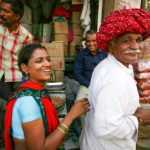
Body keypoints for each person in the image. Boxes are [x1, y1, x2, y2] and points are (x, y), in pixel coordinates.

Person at [80, 8, 150, 150]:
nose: (135, 46)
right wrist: (140, 119)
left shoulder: (119, 65)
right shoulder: (114, 79)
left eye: (138, 40)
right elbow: (105, 128)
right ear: (110, 47)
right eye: (126, 40)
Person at [4, 43, 90, 150]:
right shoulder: (28, 101)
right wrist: (71, 116)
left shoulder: (34, 93)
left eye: (48, 59)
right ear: (25, 68)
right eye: (39, 61)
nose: (47, 64)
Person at [0, 0, 34, 146]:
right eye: (1, 10)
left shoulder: (26, 36)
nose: (2, 13)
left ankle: (17, 141)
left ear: (17, 16)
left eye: (6, 11)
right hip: (1, 77)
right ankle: (4, 140)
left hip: (16, 77)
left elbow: (30, 62)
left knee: (17, 111)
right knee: (3, 111)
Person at [74, 29, 108, 127]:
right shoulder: (81, 55)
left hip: (103, 85)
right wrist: (90, 86)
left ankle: (103, 128)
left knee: (108, 103)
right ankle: (86, 129)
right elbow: (77, 74)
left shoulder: (105, 54)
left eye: (94, 41)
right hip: (87, 85)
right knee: (80, 103)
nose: (91, 44)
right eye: (88, 41)